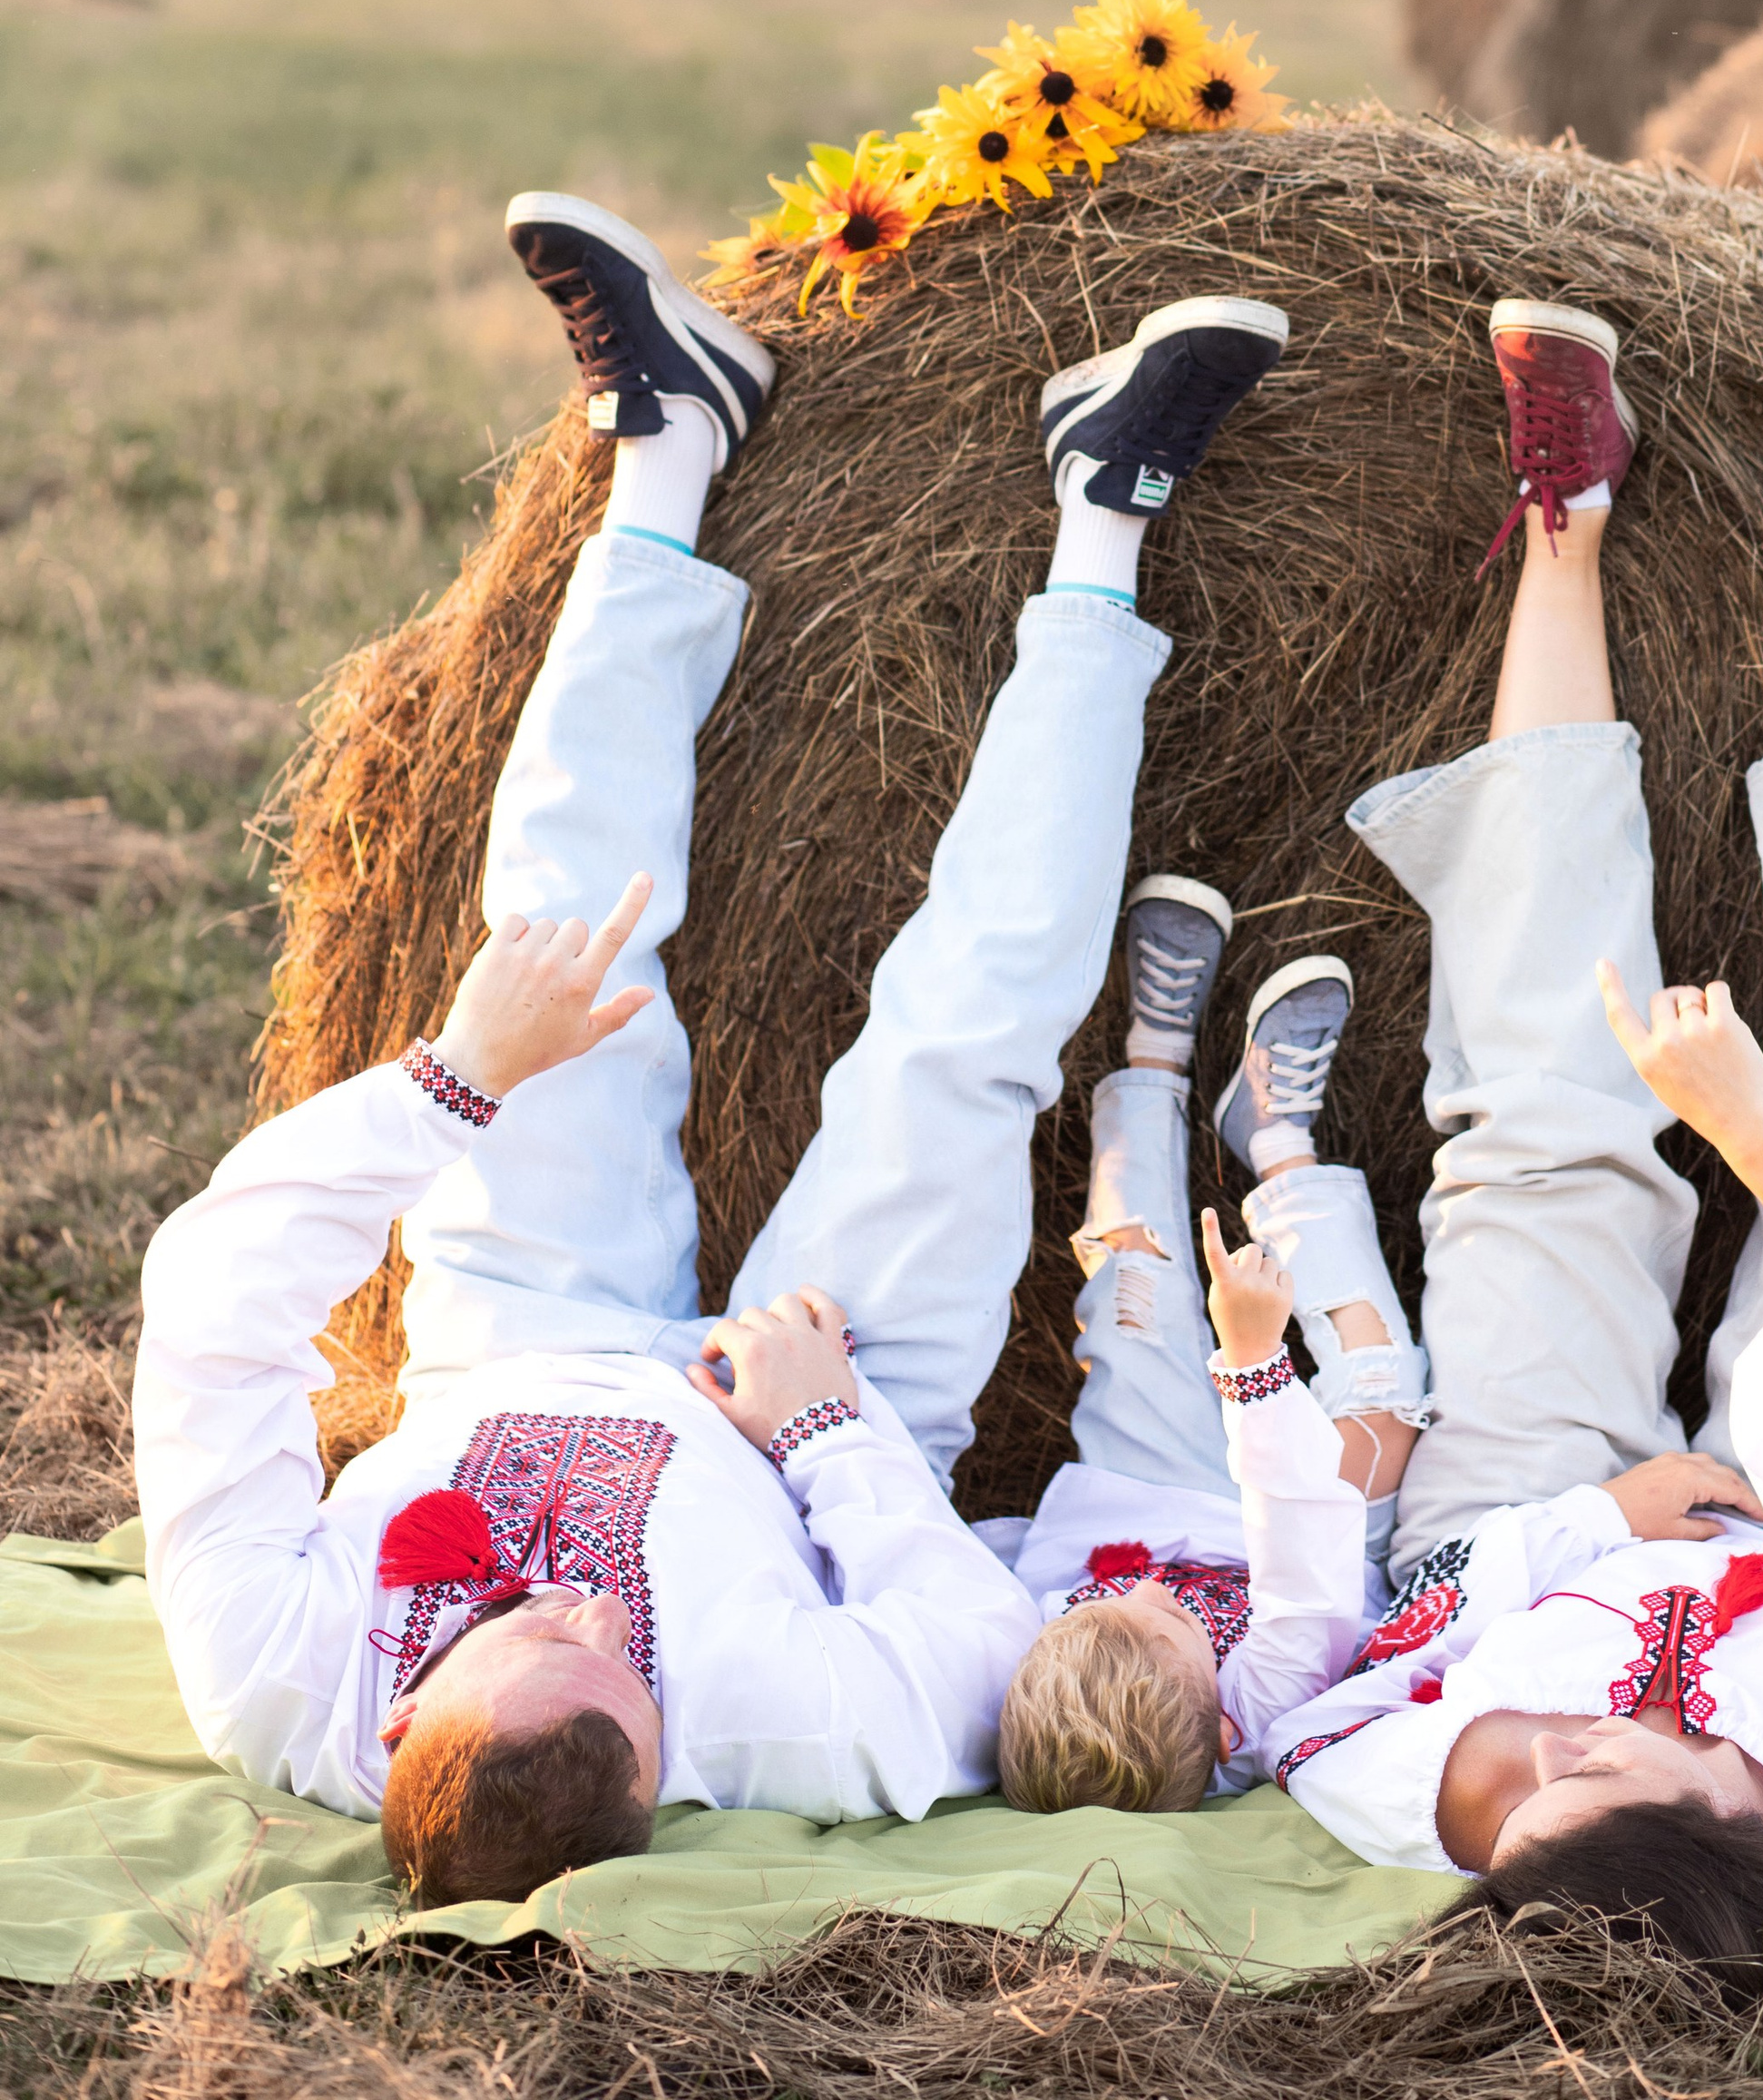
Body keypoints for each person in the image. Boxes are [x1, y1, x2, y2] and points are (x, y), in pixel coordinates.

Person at [132, 200, 1280, 1904]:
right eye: (628, 1668)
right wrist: (833, 1448)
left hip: (520, 1316)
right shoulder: (784, 1742)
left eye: (542, 1636)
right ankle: (1106, 519)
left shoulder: (275, 1680)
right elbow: (973, 1650)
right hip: (826, 1391)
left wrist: (457, 1079)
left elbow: (213, 1303)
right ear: (666, 1787)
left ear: (402, 1736)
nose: (592, 1608)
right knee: (970, 1031)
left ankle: (668, 447)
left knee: (551, 936)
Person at [1261, 300, 1763, 2044]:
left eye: (1510, 1802)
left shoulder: (1478, 1826)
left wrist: (1582, 1533)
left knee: (1538, 1149)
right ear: (1739, 1820)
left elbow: (1331, 1705)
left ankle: (1564, 528)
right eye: (1578, 1768)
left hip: (1523, 1534)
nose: (1530, 1754)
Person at [994, 888, 1428, 1812]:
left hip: (1142, 1483)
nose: (1151, 1585)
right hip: (1310, 1523)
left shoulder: (1033, 1670)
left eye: (1098, 1604)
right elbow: (1302, 1542)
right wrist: (1252, 1362)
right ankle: (1277, 1145)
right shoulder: (1262, 1707)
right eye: (1170, 1617)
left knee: (1134, 1293)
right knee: (1382, 1388)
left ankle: (1153, 1059)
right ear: (1225, 1725)